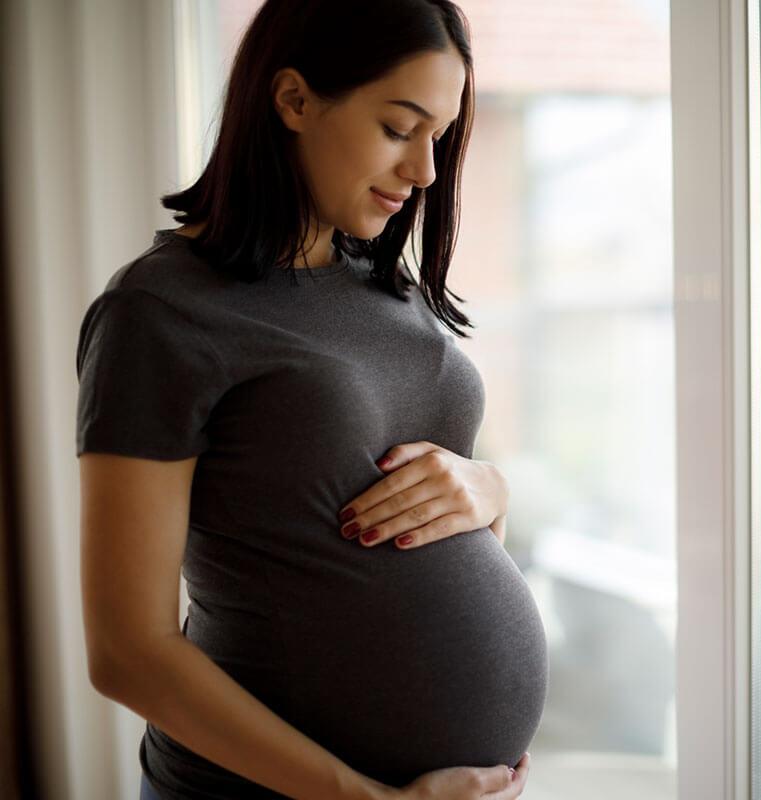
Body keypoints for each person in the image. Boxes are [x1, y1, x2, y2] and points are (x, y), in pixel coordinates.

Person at [74, 1, 548, 797]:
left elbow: (416, 502)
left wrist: (490, 489)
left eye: (441, 135)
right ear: (293, 99)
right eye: (401, 127)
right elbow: (128, 652)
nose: (427, 170)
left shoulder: (385, 286)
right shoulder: (160, 313)